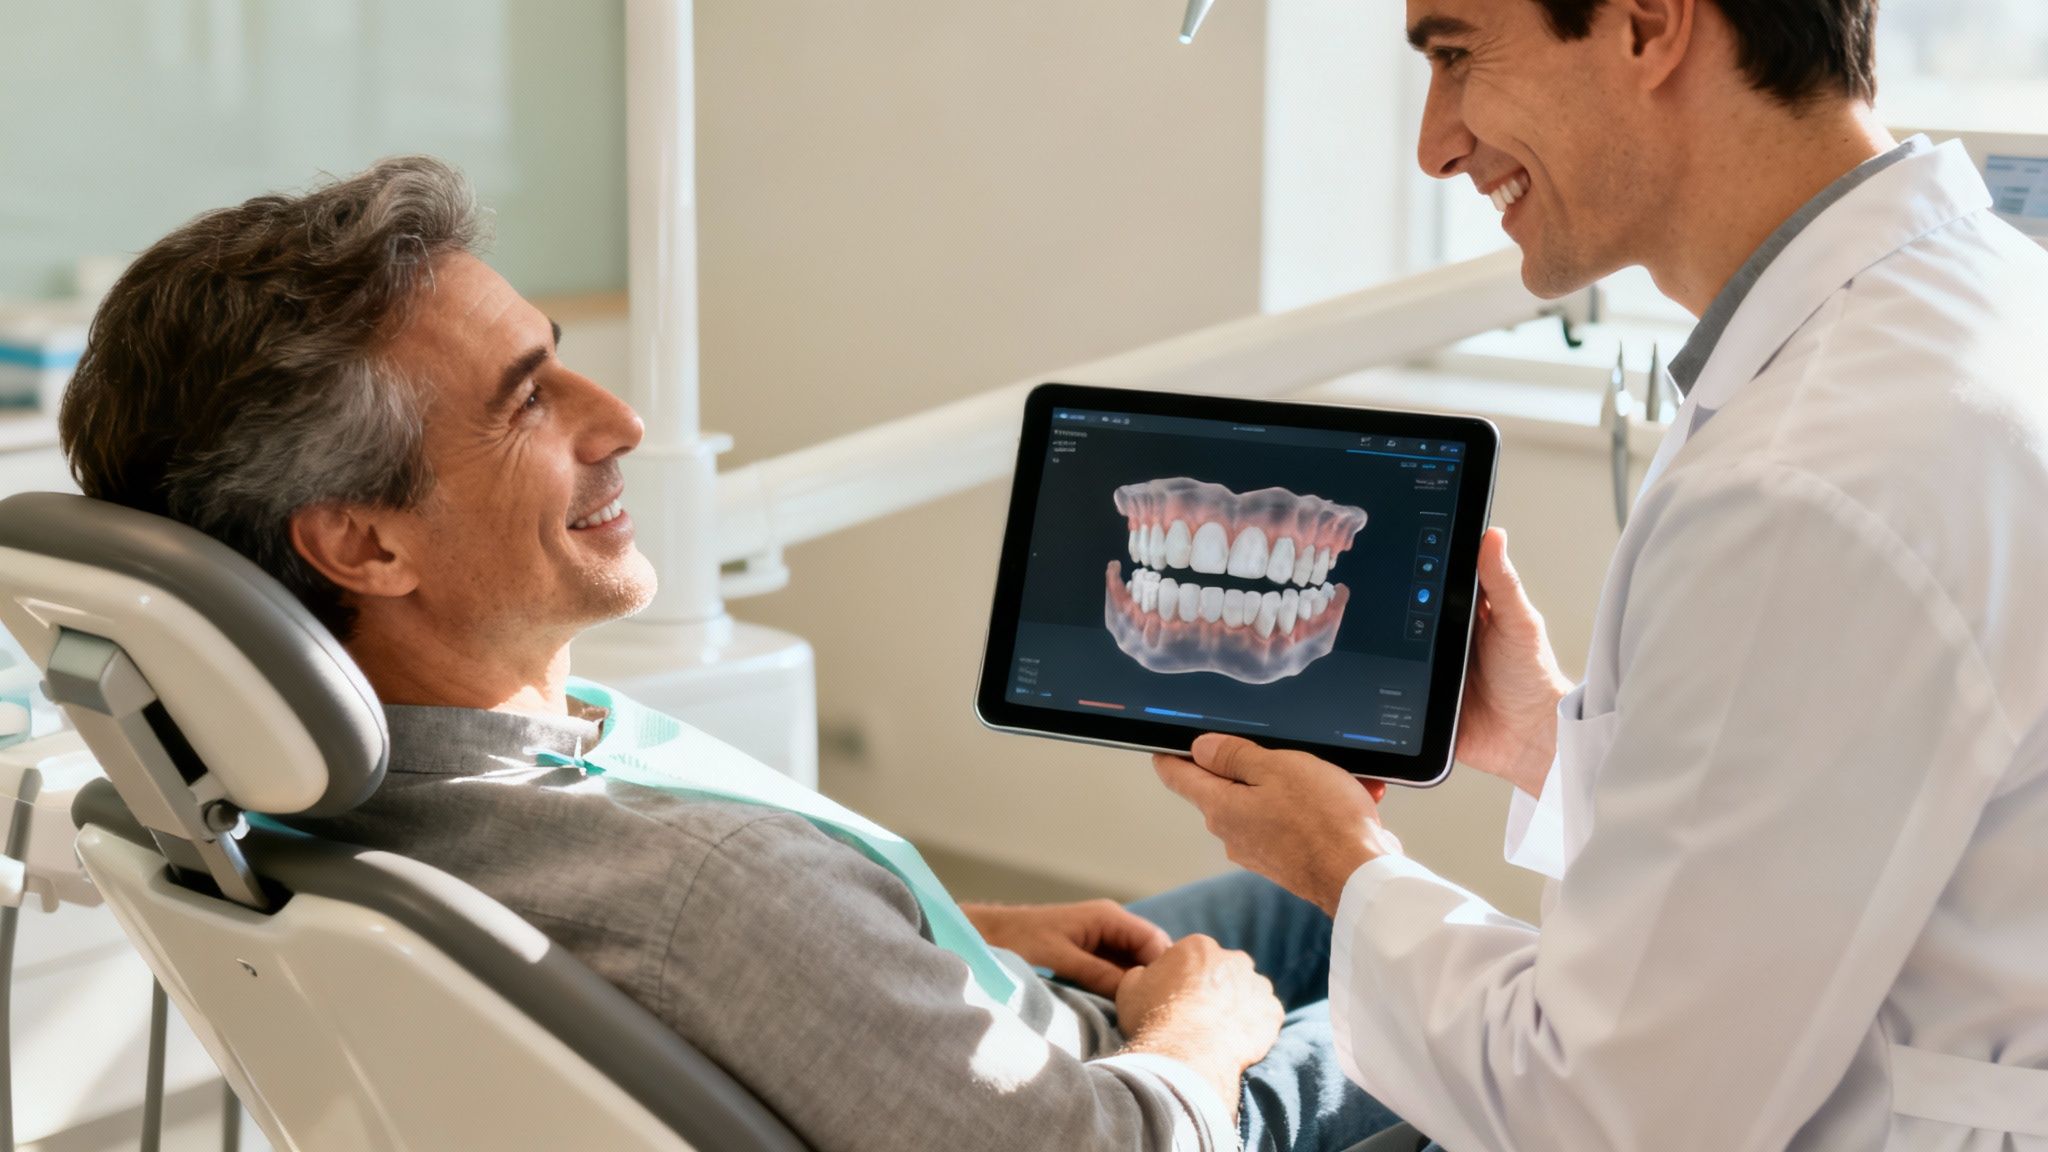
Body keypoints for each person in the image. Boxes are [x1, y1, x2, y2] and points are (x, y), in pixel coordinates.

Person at [56, 156, 1416, 1152]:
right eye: (530, 400)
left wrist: (940, 930)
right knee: (1507, 1014)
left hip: (943, 1033)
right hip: (1127, 1116)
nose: (623, 418)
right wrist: (1202, 1032)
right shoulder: (697, 888)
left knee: (1318, 910)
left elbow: (706, 962)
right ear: (361, 546)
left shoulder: (362, 810)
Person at [1153, 1, 2048, 1149]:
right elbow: (1818, 832)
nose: (1432, 143)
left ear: (1643, 24)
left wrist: (1341, 863)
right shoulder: (1950, 306)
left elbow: (1612, 1113)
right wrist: (1542, 742)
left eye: (1456, 53)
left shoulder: (1811, 474)